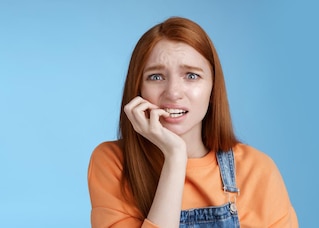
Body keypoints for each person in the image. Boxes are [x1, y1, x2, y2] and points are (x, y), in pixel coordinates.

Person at [87, 16, 298, 227]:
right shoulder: (114, 163)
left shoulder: (258, 170)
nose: (173, 93)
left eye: (191, 76)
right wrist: (175, 156)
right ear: (138, 88)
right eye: (156, 77)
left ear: (212, 88)